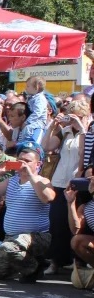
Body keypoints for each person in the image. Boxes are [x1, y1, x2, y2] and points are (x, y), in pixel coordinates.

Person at [0, 142, 55, 282]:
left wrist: (30, 175)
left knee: (8, 248)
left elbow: (48, 198)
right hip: (12, 237)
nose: (23, 164)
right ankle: (30, 268)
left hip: (36, 237)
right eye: (20, 161)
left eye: (27, 161)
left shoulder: (42, 180)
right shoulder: (11, 180)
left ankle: (33, 264)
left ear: (38, 164)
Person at [42, 101, 90, 273]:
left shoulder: (89, 132)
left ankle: (78, 262)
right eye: (72, 116)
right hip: (59, 181)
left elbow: (84, 156)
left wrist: (82, 129)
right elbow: (46, 146)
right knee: (57, 222)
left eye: (79, 116)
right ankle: (55, 261)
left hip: (78, 183)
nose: (74, 120)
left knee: (76, 224)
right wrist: (53, 125)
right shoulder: (65, 132)